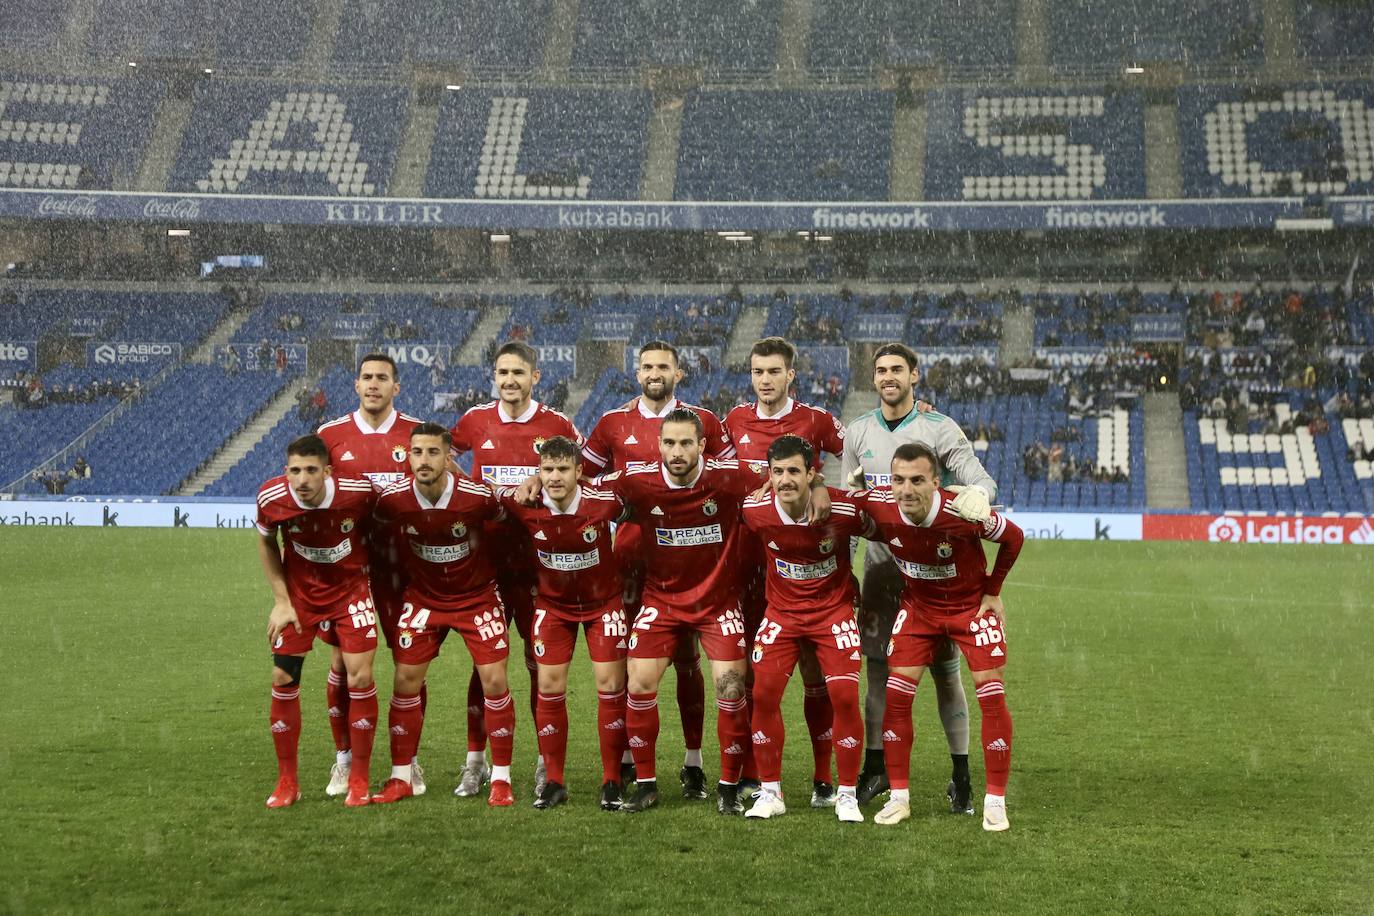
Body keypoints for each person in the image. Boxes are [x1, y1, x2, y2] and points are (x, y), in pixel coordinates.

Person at [579, 409, 775, 815]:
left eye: (686, 443)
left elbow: (781, 477)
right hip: (662, 603)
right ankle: (647, 784)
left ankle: (727, 786)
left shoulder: (728, 475)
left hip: (717, 604)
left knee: (732, 689)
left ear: (702, 445)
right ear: (659, 445)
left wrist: (820, 486)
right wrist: (535, 481)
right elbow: (583, 487)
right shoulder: (637, 480)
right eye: (669, 443)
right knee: (638, 685)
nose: (677, 451)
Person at [841, 342, 997, 813]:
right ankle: (876, 769)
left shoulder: (939, 427)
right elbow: (851, 507)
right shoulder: (858, 432)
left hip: (934, 575)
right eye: (881, 370)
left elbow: (983, 484)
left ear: (914, 376)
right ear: (875, 378)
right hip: (882, 572)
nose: (888, 377)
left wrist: (969, 499)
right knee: (877, 672)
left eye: (897, 370)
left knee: (947, 675)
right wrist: (845, 572)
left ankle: (962, 776)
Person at [580, 341, 735, 801]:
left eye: (662, 366)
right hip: (630, 562)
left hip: (692, 561)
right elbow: (584, 479)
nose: (653, 373)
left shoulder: (703, 421)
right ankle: (630, 760)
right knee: (634, 664)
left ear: (678, 373)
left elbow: (728, 481)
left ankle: (693, 761)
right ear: (637, 371)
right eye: (646, 365)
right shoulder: (611, 422)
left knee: (689, 663)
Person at [854, 444, 1023, 831]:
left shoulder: (961, 512)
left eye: (917, 480)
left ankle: (995, 801)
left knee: (991, 695)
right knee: (896, 694)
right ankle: (899, 798)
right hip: (920, 610)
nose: (906, 490)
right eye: (898, 480)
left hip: (969, 609)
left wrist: (992, 590)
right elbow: (840, 504)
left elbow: (1014, 538)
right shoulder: (880, 505)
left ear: (936, 482)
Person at [449, 340, 583, 799]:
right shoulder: (474, 420)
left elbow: (582, 470)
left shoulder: (556, 425)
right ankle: (475, 762)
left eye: (518, 373)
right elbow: (443, 454)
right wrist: (469, 488)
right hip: (484, 562)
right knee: (485, 665)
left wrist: (536, 478)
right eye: (502, 373)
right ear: (495, 377)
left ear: (535, 377)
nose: (509, 380)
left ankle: (546, 763)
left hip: (536, 564)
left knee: (538, 663)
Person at [723, 337, 847, 806]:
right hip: (748, 562)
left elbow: (855, 454)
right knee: (756, 674)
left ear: (790, 374)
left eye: (774, 371)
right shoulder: (733, 421)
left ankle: (822, 779)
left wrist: (823, 487)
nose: (765, 380)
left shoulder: (815, 420)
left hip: (807, 569)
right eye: (758, 372)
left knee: (817, 674)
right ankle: (754, 774)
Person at [368, 424, 518, 807]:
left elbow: (507, 523)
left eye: (433, 452)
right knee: (405, 680)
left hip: (477, 598)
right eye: (416, 452)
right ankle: (402, 776)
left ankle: (500, 778)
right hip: (424, 599)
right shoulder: (393, 500)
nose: (423, 460)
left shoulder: (475, 497)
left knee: (495, 680)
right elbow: (379, 541)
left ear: (449, 457)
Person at [495, 436, 630, 811]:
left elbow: (638, 494)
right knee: (549, 687)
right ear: (538, 472)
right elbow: (485, 492)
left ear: (579, 471)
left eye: (563, 469)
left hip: (604, 607)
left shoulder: (604, 501)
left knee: (610, 686)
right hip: (553, 608)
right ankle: (554, 781)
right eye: (547, 469)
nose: (554, 477)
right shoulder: (525, 503)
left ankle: (612, 780)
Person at [739, 435, 869, 823]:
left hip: (833, 612)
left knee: (844, 695)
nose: (785, 480)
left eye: (794, 471)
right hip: (782, 614)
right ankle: (770, 792)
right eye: (777, 472)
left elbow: (885, 521)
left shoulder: (842, 510)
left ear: (812, 473)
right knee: (763, 695)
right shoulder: (755, 510)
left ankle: (846, 795)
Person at [316, 355, 423, 797]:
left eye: (383, 378)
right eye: (367, 378)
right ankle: (343, 760)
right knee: (342, 664)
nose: (374, 385)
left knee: (409, 667)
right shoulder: (330, 436)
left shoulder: (416, 435)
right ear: (355, 385)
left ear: (396, 387)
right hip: (348, 570)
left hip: (405, 568)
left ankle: (408, 761)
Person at [255, 435, 380, 808]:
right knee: (283, 677)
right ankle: (287, 782)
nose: (303, 479)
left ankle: (358, 778)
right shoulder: (271, 498)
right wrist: (281, 601)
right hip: (300, 600)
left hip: (350, 594)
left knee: (359, 677)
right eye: (295, 470)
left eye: (311, 470)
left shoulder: (358, 492)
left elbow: (381, 528)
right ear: (286, 471)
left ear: (328, 471)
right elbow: (265, 543)